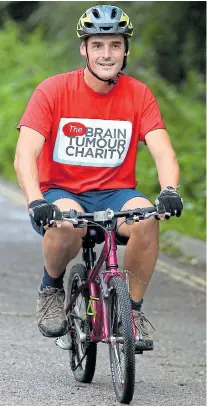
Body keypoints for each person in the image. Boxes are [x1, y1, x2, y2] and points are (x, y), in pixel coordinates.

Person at [14, 5, 183, 351]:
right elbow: (24, 154)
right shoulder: (52, 91)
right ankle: (50, 287)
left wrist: (169, 190)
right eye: (98, 45)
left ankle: (130, 313)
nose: (107, 54)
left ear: (126, 50)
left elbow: (164, 152)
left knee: (148, 220)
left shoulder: (139, 94)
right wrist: (35, 200)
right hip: (63, 192)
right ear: (84, 49)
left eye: (115, 46)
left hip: (115, 193)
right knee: (66, 226)